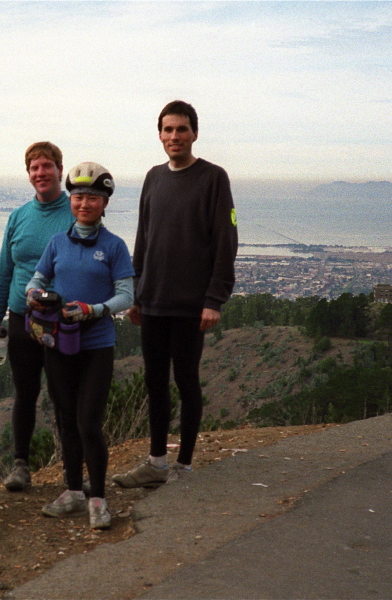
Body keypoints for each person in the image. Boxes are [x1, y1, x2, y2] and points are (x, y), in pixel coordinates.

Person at [112, 100, 238, 489]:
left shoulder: (213, 178)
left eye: (181, 129)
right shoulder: (153, 178)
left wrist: (214, 299)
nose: (174, 136)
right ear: (160, 134)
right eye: (167, 130)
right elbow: (143, 239)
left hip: (189, 304)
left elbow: (225, 240)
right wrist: (135, 291)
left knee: (185, 380)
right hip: (153, 301)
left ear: (194, 133)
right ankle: (156, 462)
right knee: (154, 381)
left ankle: (183, 465)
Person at [26, 162, 134, 530]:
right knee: (65, 418)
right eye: (78, 197)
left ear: (105, 203)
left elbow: (126, 295)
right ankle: (72, 491)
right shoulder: (57, 242)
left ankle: (98, 498)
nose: (84, 204)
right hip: (58, 342)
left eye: (92, 198)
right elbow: (38, 277)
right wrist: (34, 295)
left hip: (97, 344)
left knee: (89, 422)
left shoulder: (114, 246)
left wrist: (95, 310)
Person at [0, 142, 75, 491]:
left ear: (58, 169)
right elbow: (3, 272)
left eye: (47, 166)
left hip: (60, 319)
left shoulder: (74, 211)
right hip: (21, 318)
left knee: (63, 394)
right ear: (29, 174)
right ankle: (21, 464)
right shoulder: (18, 216)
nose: (40, 173)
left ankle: (71, 467)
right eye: (34, 168)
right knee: (25, 392)